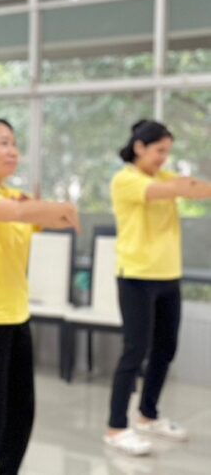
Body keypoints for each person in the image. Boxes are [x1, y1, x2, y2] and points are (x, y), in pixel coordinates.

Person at [0, 118, 80, 475]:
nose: (13, 151)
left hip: (16, 317)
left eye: (15, 144)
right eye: (3, 143)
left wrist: (54, 211)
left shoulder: (10, 194)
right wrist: (53, 207)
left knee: (21, 415)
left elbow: (42, 217)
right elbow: (21, 213)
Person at [104, 120, 211, 456]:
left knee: (165, 349)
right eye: (159, 150)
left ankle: (148, 416)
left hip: (168, 275)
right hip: (136, 276)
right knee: (135, 351)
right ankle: (116, 427)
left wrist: (189, 185)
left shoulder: (163, 176)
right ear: (139, 147)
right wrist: (185, 186)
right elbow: (174, 190)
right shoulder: (126, 179)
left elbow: (194, 189)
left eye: (168, 151)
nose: (164, 157)